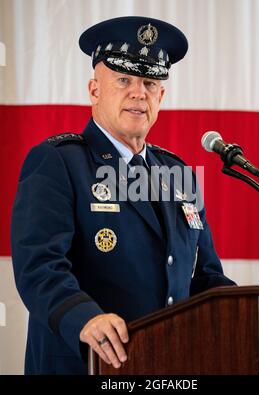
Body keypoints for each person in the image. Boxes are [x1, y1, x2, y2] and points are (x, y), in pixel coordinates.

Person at [11, 16, 236, 375]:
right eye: (124, 79)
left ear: (160, 96)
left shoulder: (179, 176)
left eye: (150, 82)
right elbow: (39, 266)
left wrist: (241, 310)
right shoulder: (58, 162)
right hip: (83, 365)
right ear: (95, 91)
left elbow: (207, 278)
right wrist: (84, 317)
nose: (138, 92)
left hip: (168, 368)